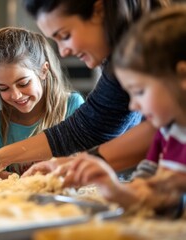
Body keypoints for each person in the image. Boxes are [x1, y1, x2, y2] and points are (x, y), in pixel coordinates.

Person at [0, 0, 170, 180]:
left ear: (99, 11)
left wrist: (70, 166)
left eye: (65, 35)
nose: (64, 51)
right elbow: (87, 129)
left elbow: (157, 132)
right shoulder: (123, 58)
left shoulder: (154, 53)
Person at [48, 5, 186, 215]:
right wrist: (113, 188)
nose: (133, 106)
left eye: (139, 91)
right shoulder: (166, 135)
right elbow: (149, 199)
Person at [0, 27, 84, 175]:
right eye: (3, 89)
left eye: (23, 84)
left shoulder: (72, 105)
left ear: (43, 70)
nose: (16, 95)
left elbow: (84, 160)